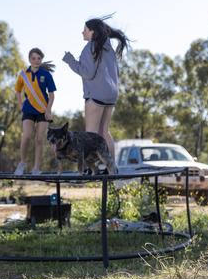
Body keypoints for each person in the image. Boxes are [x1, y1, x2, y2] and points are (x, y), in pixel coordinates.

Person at [62, 15, 130, 165]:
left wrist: (70, 61)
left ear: (92, 32)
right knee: (105, 132)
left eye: (85, 29)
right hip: (111, 95)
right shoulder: (108, 48)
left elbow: (87, 72)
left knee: (91, 135)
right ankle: (112, 169)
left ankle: (89, 169)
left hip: (96, 95)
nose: (82, 32)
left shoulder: (90, 47)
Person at [13, 48, 56, 175]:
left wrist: (48, 110)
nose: (36, 61)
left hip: (43, 111)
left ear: (41, 59)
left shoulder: (46, 75)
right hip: (28, 110)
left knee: (39, 139)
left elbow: (52, 95)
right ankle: (22, 163)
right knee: (26, 136)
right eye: (33, 58)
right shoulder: (23, 75)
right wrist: (20, 104)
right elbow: (17, 90)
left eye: (38, 58)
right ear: (29, 59)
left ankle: (36, 168)